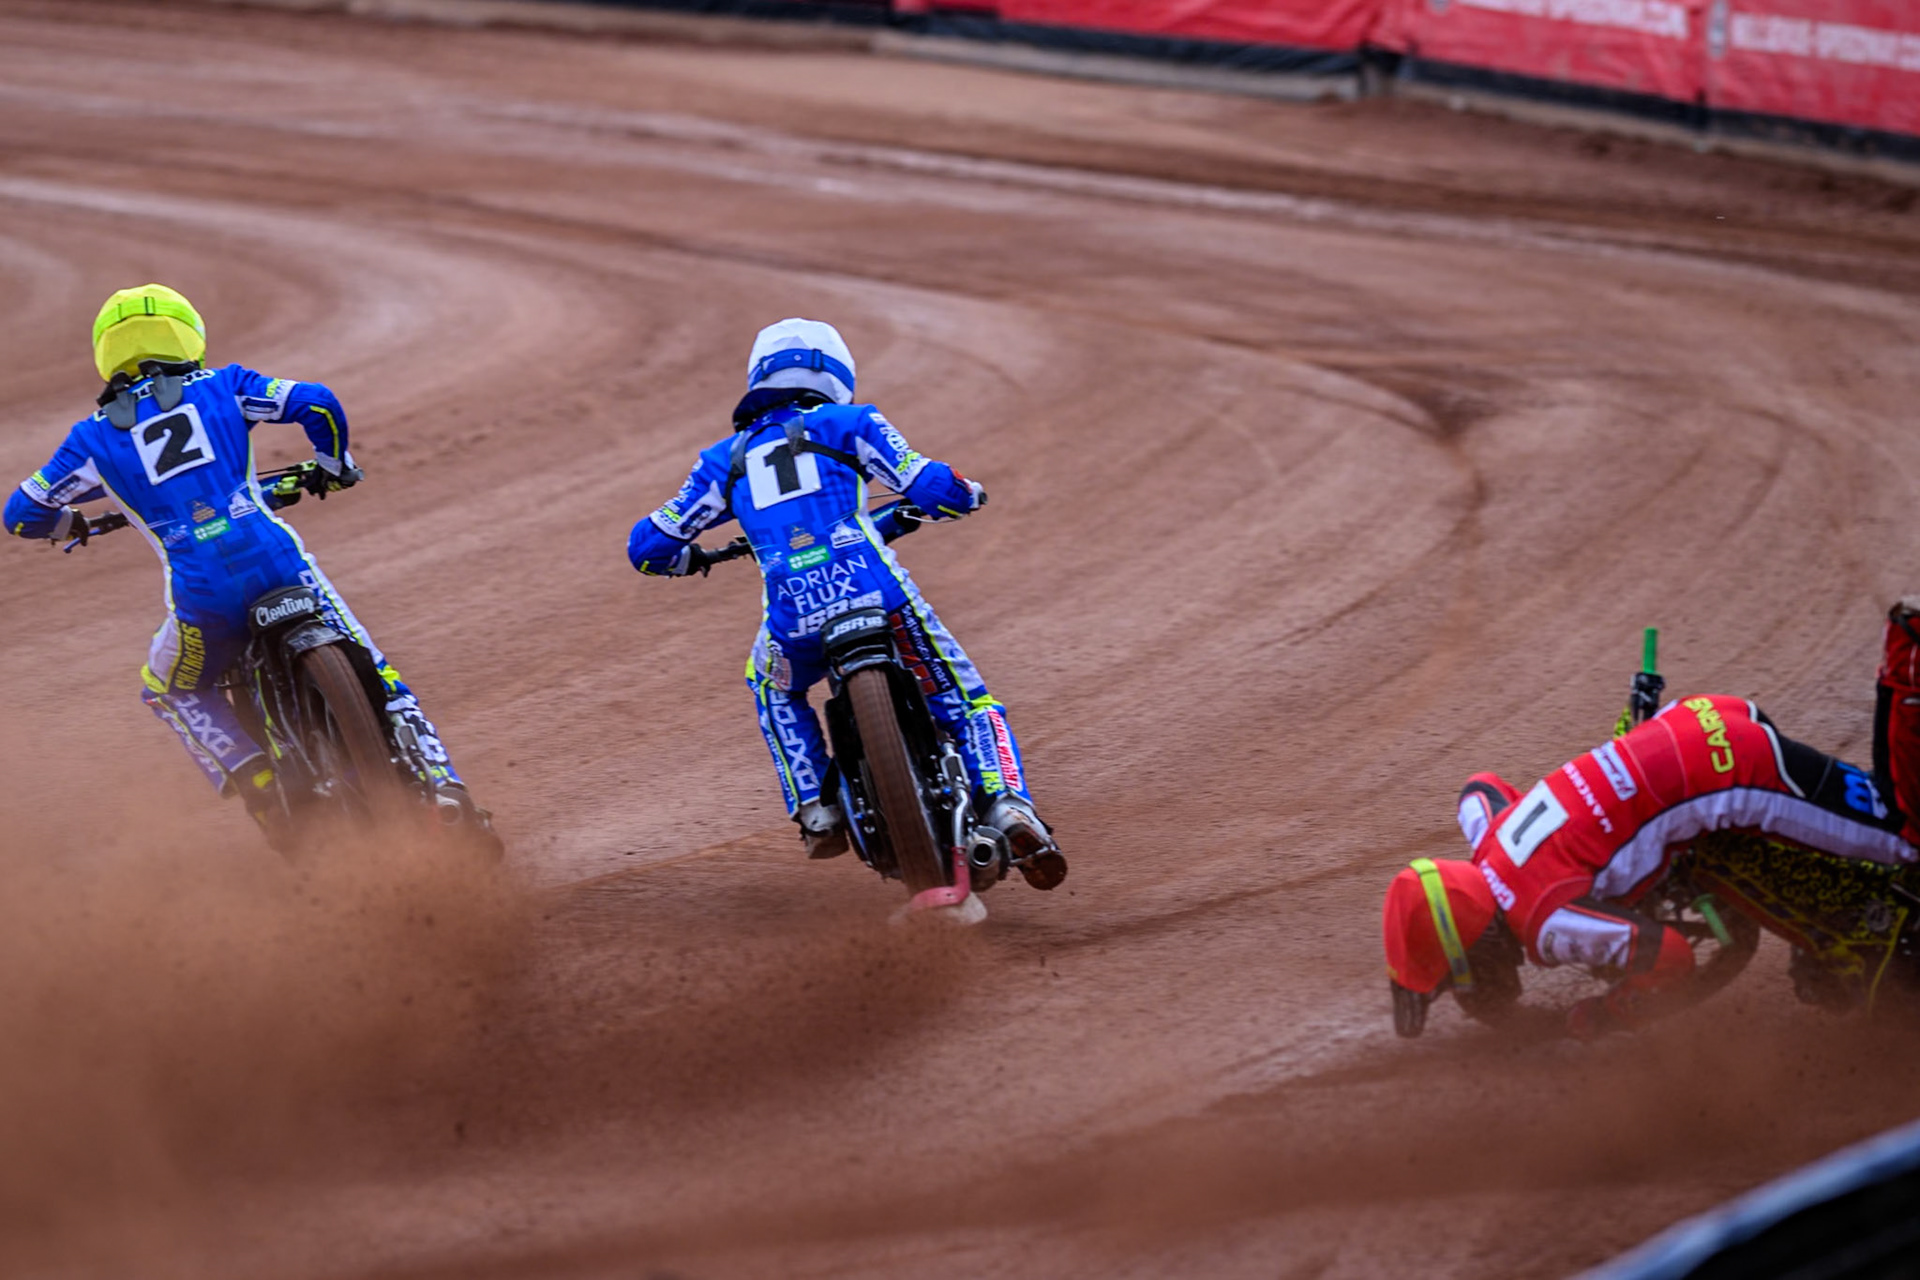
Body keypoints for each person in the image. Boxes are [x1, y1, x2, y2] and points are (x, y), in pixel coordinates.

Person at [4, 284, 493, 850]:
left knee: (168, 688)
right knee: (380, 675)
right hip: (279, 564)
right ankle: (442, 785)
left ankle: (260, 782)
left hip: (205, 598)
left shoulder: (90, 437)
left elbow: (21, 513)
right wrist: (334, 466)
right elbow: (317, 402)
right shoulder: (226, 384)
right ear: (189, 335)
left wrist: (72, 525)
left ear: (106, 354)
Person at [627, 317, 1064, 889]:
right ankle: (1006, 805)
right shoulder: (852, 423)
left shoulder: (724, 461)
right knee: (969, 702)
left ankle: (816, 806)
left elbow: (648, 548)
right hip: (879, 596)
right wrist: (964, 494)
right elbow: (931, 488)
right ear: (836, 375)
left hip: (794, 621)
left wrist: (690, 560)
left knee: (772, 686)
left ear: (759, 377)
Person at [1382, 691, 1916, 1038]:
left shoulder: (1543, 921)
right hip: (1694, 718)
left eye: (1455, 977)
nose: (1465, 990)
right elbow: (1478, 787)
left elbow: (1671, 958)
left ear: (1475, 947)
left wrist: (1604, 1014)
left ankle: (1905, 647)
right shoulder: (1487, 838)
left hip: (1735, 767)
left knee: (1904, 834)